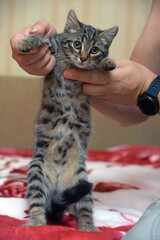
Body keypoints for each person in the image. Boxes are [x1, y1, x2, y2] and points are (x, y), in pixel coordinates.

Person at [10, 0, 160, 239]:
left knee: (77, 174)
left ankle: (87, 222)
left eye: (92, 51)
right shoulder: (59, 47)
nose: (81, 56)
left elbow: (121, 78)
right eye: (78, 45)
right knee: (39, 169)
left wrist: (142, 84)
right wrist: (33, 42)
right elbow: (135, 111)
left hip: (75, 137)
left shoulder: (94, 63)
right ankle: (37, 215)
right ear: (70, 34)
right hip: (49, 136)